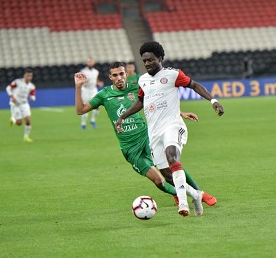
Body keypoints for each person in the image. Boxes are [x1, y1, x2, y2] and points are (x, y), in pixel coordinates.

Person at [75, 61, 217, 208]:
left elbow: (156, 102)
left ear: (126, 74)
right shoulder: (104, 94)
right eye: (115, 75)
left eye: (121, 74)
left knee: (171, 164)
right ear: (110, 77)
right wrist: (78, 87)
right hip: (129, 148)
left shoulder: (137, 87)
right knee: (159, 181)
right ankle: (176, 192)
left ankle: (200, 193)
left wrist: (181, 113)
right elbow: (81, 110)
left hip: (146, 137)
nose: (119, 78)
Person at [115, 41, 224, 217]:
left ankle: (183, 204)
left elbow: (194, 85)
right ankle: (196, 195)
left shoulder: (173, 75)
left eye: (150, 60)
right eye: (145, 61)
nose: (147, 63)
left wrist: (213, 101)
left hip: (173, 125)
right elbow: (141, 102)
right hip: (154, 132)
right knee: (167, 174)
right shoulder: (143, 80)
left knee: (173, 156)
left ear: (160, 58)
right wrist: (123, 116)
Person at [6, 68, 36, 142]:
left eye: (30, 76)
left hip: (24, 103)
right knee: (19, 123)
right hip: (15, 104)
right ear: (24, 76)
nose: (29, 77)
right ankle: (13, 119)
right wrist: (11, 96)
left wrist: (32, 98)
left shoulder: (31, 86)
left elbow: (32, 94)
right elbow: (8, 88)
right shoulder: (17, 82)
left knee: (28, 119)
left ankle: (26, 137)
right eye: (27, 76)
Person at [79, 57, 102, 130]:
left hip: (93, 90)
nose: (90, 63)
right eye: (89, 62)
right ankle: (83, 123)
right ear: (87, 63)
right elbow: (80, 80)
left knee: (98, 105)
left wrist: (99, 82)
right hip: (85, 89)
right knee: (85, 107)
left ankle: (93, 120)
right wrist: (84, 81)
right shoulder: (83, 71)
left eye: (91, 61)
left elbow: (96, 79)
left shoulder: (96, 71)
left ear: (94, 62)